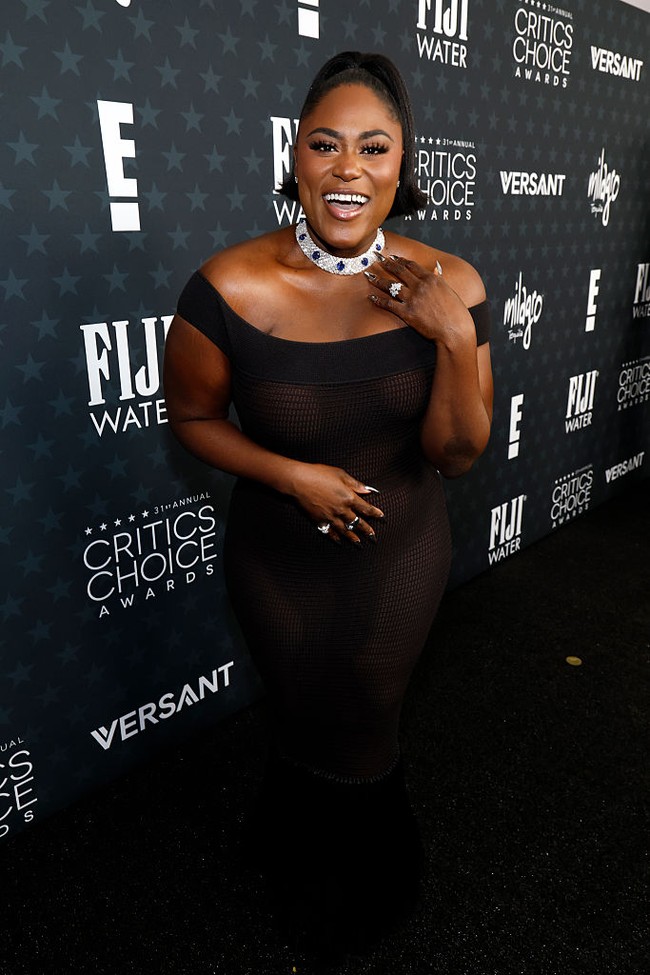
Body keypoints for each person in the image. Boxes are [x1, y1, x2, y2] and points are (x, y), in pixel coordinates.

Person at [164, 51, 493, 951]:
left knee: (366, 717)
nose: (349, 167)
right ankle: (290, 840)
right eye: (325, 144)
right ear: (296, 158)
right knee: (298, 704)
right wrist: (289, 473)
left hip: (399, 552)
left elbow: (458, 454)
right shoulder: (227, 286)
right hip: (276, 557)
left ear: (403, 164)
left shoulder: (453, 282)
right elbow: (191, 418)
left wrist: (452, 336)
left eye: (374, 147)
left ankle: (370, 875)